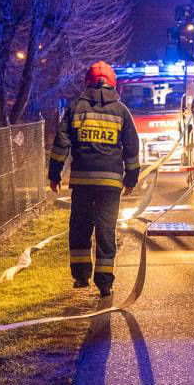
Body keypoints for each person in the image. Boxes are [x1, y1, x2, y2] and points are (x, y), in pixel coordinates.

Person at [48, 61, 140, 297]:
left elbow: (61, 143)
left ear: (87, 82)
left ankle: (80, 276)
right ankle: (105, 282)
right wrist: (131, 179)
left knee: (80, 226)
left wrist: (54, 174)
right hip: (110, 184)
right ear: (112, 84)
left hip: (82, 182)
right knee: (106, 230)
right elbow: (131, 148)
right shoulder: (121, 111)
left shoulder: (76, 108)